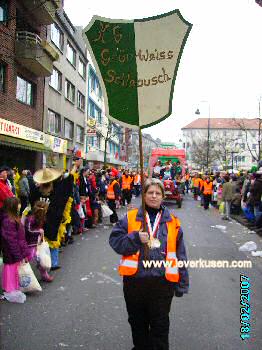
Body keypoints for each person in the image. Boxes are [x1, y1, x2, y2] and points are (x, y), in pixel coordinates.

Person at [109, 178, 189, 350]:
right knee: (137, 325)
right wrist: (135, 238)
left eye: (157, 193)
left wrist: (182, 284)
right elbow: (115, 242)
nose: (154, 196)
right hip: (134, 283)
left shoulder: (173, 223)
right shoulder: (130, 218)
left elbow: (181, 256)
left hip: (162, 284)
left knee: (160, 326)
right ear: (144, 195)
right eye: (150, 192)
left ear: (162, 196)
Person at [0, 197, 29, 294]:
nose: (20, 206)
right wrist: (18, 255)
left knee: (13, 269)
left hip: (13, 250)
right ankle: (10, 288)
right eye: (18, 204)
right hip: (11, 251)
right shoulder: (9, 221)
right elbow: (11, 240)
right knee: (11, 268)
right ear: (13, 207)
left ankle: (13, 287)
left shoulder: (12, 218)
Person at [24, 201, 54, 282]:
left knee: (41, 259)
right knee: (30, 260)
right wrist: (39, 231)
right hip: (30, 243)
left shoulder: (40, 217)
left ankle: (44, 275)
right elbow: (28, 230)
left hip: (37, 243)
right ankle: (27, 277)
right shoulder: (31, 218)